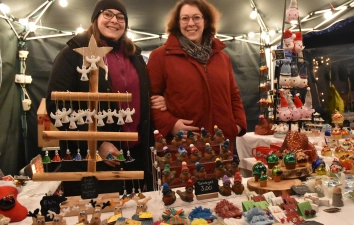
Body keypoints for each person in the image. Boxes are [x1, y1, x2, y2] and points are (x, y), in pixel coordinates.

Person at [46, 0, 165, 193]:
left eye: (120, 17)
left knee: (136, 215)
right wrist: (96, 142)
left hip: (135, 153)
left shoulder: (134, 56)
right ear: (96, 18)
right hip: (93, 159)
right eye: (107, 14)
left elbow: (143, 94)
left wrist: (158, 99)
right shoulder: (72, 54)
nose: (114, 21)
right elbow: (57, 107)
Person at [147, 0, 247, 147]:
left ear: (205, 21)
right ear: (178, 22)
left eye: (196, 17)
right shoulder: (160, 57)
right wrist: (171, 124)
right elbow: (150, 100)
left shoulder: (222, 57)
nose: (191, 23)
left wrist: (237, 124)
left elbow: (234, 95)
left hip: (222, 145)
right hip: (184, 147)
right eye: (185, 18)